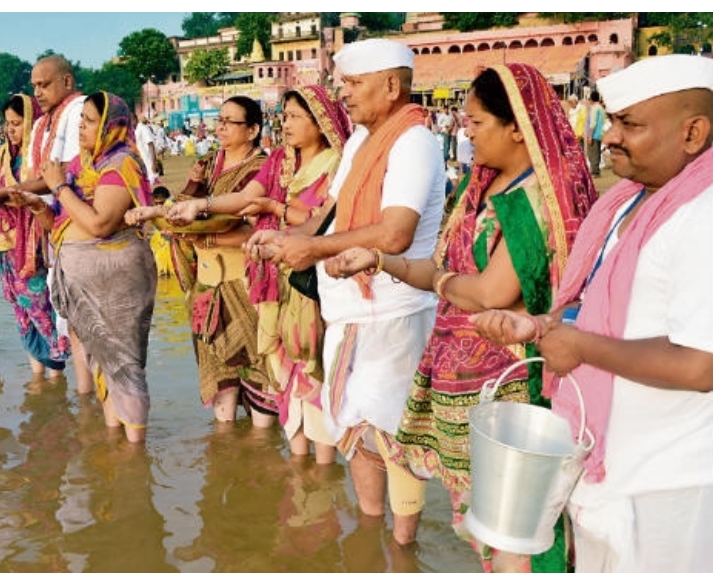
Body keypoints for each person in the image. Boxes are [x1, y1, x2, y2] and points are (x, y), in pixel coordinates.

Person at [328, 63, 598, 570]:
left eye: (475, 123)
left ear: (517, 125)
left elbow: (490, 292)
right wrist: (380, 261)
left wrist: (441, 284)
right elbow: (440, 268)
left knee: (516, 538)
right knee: (484, 531)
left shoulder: (534, 200)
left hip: (513, 398)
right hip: (470, 395)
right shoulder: (482, 188)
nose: (464, 131)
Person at [471, 54, 712, 573]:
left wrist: (580, 348)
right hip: (607, 457)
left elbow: (703, 365)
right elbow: (602, 310)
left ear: (693, 133)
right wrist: (539, 328)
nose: (611, 135)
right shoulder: (626, 201)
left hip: (663, 478)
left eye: (630, 124)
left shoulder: (707, 215)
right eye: (614, 120)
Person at [245, 39, 446, 544]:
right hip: (350, 311)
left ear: (392, 86)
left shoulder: (412, 141)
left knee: (392, 433)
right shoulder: (361, 139)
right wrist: (291, 238)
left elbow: (394, 233)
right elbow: (326, 214)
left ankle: (403, 548)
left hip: (393, 312)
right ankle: (370, 533)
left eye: (354, 84)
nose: (345, 94)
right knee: (356, 430)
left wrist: (311, 252)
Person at [158, 86, 352, 465]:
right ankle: (296, 468)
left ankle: (323, 470)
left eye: (296, 116)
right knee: (282, 375)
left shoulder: (336, 166)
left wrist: (273, 208)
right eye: (286, 115)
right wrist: (201, 202)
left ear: (321, 121)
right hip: (268, 282)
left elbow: (326, 225)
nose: (287, 123)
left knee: (313, 373)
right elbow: (248, 197)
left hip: (310, 286)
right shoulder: (280, 159)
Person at [125, 96, 269, 425]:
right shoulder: (206, 163)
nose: (219, 127)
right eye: (219, 120)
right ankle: (227, 458)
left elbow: (260, 229)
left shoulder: (262, 168)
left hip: (246, 284)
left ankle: (263, 458)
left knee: (260, 378)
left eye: (229, 121)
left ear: (252, 130)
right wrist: (155, 212)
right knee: (219, 382)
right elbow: (183, 209)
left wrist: (208, 237)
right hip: (207, 287)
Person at [39, 91, 157, 444]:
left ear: (111, 126)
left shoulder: (121, 163)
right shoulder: (83, 165)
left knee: (124, 364)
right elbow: (62, 219)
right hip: (83, 281)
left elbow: (100, 223)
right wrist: (34, 205)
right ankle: (113, 444)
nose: (81, 127)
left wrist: (58, 187)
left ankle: (136, 453)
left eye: (90, 121)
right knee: (100, 362)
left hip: (117, 278)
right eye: (81, 120)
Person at [0, 93, 70, 378]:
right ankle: (37, 372)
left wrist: (6, 196)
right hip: (4, 243)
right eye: (7, 123)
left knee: (38, 304)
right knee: (18, 308)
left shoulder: (38, 155)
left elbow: (44, 192)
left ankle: (56, 371)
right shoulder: (3, 154)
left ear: (31, 123)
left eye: (16, 123)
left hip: (31, 240)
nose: (9, 129)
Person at [18, 54, 93, 395]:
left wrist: (8, 191)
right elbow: (39, 177)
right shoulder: (40, 124)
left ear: (67, 81)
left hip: (83, 227)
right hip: (53, 229)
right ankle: (84, 398)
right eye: (34, 86)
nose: (38, 92)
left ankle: (93, 398)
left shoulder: (79, 110)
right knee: (71, 321)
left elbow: (64, 172)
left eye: (44, 84)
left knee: (87, 322)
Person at [583, 89, 606, 177]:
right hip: (599, 134)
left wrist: (590, 136)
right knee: (597, 152)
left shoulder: (594, 109)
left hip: (594, 134)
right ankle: (596, 170)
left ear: (591, 99)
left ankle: (595, 171)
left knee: (592, 153)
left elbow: (592, 123)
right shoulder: (601, 108)